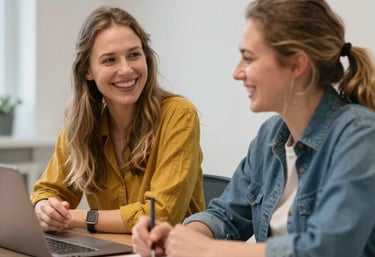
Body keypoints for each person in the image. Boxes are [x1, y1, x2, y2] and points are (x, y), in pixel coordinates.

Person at [131, 0, 375, 256]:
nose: (237, 72)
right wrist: (178, 238)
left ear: (296, 64)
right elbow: (225, 215)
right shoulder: (270, 137)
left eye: (248, 58)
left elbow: (327, 249)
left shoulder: (360, 136)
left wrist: (207, 249)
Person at [30, 6, 205, 234]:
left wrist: (75, 217)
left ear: (147, 58)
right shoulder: (82, 126)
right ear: (87, 71)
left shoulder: (179, 115)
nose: (126, 69)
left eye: (134, 54)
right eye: (109, 60)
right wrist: (45, 209)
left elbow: (160, 216)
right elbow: (48, 191)